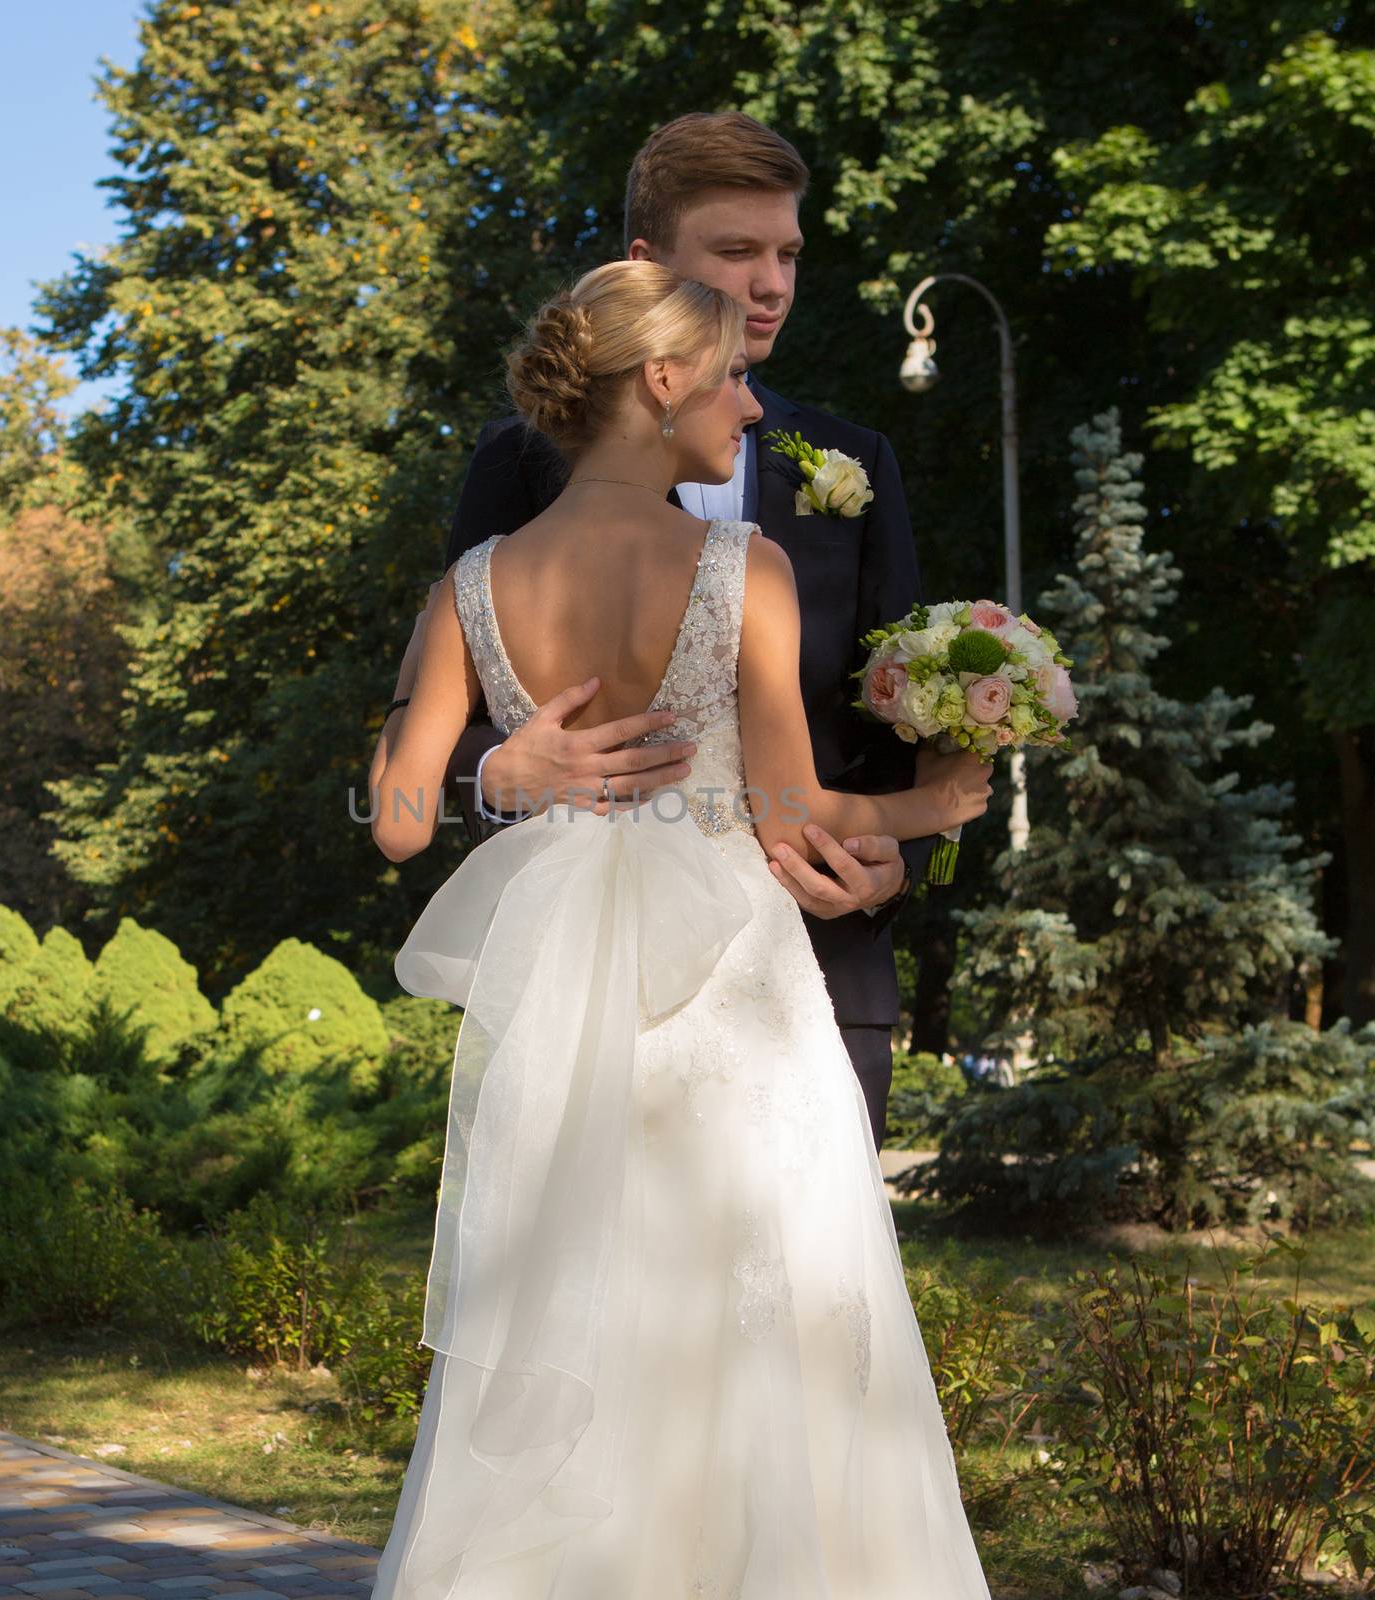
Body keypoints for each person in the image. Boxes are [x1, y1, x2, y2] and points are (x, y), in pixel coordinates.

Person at [365, 259, 992, 1598]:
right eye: (733, 378)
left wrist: (505, 769)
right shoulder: (738, 564)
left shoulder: (477, 582)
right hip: (733, 997)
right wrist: (936, 803)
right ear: (663, 384)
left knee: (576, 1311)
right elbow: (788, 812)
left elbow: (401, 817)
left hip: (562, 1009)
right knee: (778, 1319)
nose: (753, 411)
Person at [438, 110, 988, 1151]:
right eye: (737, 251)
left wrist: (908, 869)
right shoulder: (516, 465)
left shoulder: (854, 461)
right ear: (647, 268)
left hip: (814, 978)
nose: (773, 281)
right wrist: (505, 769)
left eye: (786, 251)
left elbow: (923, 737)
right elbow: (424, 734)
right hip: (580, 990)